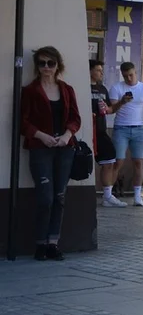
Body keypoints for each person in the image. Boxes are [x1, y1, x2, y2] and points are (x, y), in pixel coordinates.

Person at [21, 46, 81, 261]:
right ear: (37, 66)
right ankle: (40, 243)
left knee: (60, 196)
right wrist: (40, 135)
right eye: (42, 63)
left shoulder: (66, 89)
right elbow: (23, 122)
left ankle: (53, 244)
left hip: (64, 148)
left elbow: (76, 118)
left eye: (50, 63)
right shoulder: (30, 90)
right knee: (45, 198)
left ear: (58, 65)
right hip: (41, 149)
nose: (46, 67)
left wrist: (67, 135)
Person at [108, 62, 143, 207]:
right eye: (125, 76)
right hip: (121, 128)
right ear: (122, 75)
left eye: (131, 75)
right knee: (117, 162)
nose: (129, 78)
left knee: (138, 161)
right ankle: (108, 195)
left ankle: (137, 195)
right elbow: (112, 109)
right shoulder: (117, 88)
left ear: (136, 72)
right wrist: (122, 101)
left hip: (139, 129)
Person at [89, 59, 124, 208]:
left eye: (101, 70)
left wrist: (122, 102)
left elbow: (109, 110)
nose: (101, 73)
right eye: (98, 70)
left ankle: (107, 196)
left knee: (110, 160)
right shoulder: (82, 87)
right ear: (89, 70)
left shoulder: (102, 89)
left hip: (101, 131)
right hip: (85, 130)